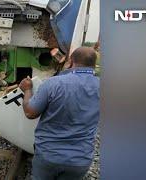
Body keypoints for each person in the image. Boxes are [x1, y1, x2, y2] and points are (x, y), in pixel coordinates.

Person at [19, 47, 100, 180]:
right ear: (94, 65)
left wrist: (27, 90)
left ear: (71, 62)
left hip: (49, 156)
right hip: (81, 160)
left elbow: (30, 113)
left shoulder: (53, 83)